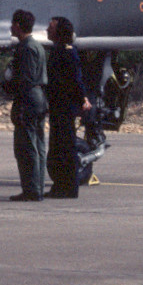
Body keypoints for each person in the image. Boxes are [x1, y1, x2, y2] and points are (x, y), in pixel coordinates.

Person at [45, 17, 93, 198]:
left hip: (65, 107)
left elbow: (76, 79)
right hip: (58, 106)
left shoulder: (67, 51)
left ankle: (70, 188)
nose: (48, 30)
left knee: (66, 147)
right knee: (57, 147)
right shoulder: (57, 50)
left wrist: (83, 99)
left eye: (51, 27)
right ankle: (60, 185)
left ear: (59, 31)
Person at [5, 9, 47, 202]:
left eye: (13, 23)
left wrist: (9, 84)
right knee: (38, 144)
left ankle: (32, 189)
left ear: (19, 26)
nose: (11, 27)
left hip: (28, 98)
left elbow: (26, 78)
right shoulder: (37, 46)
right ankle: (35, 187)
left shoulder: (25, 48)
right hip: (38, 97)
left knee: (26, 146)